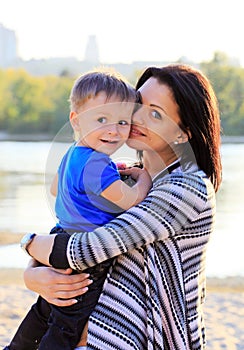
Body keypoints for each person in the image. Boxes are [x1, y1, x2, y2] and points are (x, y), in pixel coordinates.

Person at [22, 63, 222, 350]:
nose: (136, 117)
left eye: (155, 113)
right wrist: (36, 275)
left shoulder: (186, 189)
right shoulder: (120, 178)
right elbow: (69, 230)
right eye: (137, 104)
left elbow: (89, 248)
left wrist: (28, 243)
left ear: (182, 133)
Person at [5, 70, 152, 350]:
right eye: (102, 119)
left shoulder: (72, 153)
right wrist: (142, 177)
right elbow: (132, 201)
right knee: (68, 322)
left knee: (45, 309)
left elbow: (54, 190)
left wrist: (105, 181)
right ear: (76, 120)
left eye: (122, 121)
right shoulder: (97, 163)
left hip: (60, 236)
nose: (113, 130)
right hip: (86, 252)